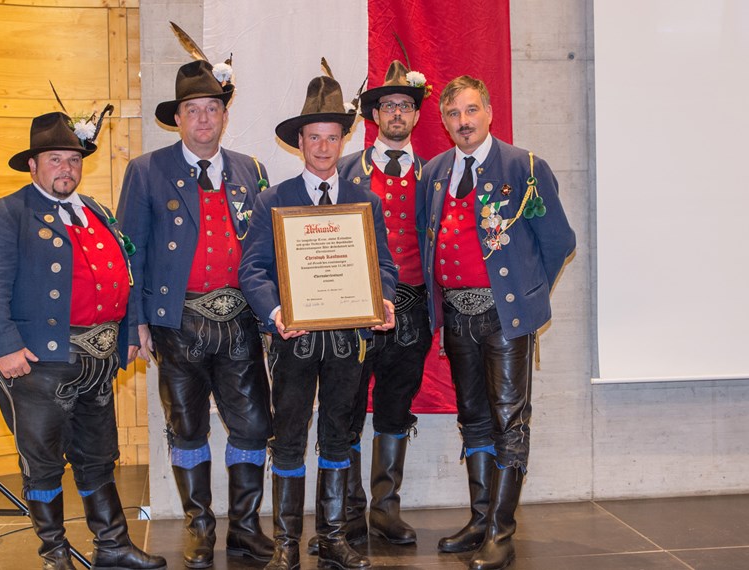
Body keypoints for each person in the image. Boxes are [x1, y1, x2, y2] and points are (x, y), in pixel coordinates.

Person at [0, 112, 165, 570]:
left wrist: (130, 329)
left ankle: (112, 546)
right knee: (44, 463)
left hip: (96, 362)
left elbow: (126, 275)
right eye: (55, 159)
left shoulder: (96, 210)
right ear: (33, 165)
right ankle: (55, 555)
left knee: (98, 456)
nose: (66, 169)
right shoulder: (8, 213)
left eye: (73, 159)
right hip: (38, 363)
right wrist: (4, 347)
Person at [239, 70, 399, 570]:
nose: (324, 147)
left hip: (350, 340)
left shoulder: (365, 201)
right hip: (295, 339)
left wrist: (385, 299)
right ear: (300, 142)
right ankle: (287, 543)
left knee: (338, 435)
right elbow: (253, 269)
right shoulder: (273, 200)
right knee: (287, 437)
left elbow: (385, 267)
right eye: (315, 138)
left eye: (333, 137)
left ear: (343, 140)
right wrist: (275, 310)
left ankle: (331, 536)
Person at [117, 59, 274, 569]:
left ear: (224, 117)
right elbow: (129, 252)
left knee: (251, 426)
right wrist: (135, 322)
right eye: (193, 110)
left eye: (212, 109)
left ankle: (246, 528)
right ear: (177, 119)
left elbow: (269, 251)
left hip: (241, 321)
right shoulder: (146, 170)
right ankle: (199, 527)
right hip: (175, 323)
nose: (203, 119)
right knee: (186, 427)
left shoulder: (251, 169)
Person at [422, 75, 575, 570]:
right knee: (475, 419)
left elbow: (559, 242)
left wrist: (526, 298)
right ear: (444, 122)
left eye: (470, 111)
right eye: (453, 115)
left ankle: (502, 534)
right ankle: (481, 518)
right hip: (457, 314)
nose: (463, 122)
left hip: (504, 315)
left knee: (510, 419)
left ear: (488, 111)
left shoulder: (526, 167)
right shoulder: (436, 172)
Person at [304, 60, 432, 553]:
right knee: (347, 408)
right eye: (387, 105)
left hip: (414, 308)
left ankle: (386, 508)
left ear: (416, 115)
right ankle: (348, 514)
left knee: (396, 408)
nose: (396, 113)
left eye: (405, 105)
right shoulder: (347, 170)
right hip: (356, 309)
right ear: (374, 114)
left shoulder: (437, 173)